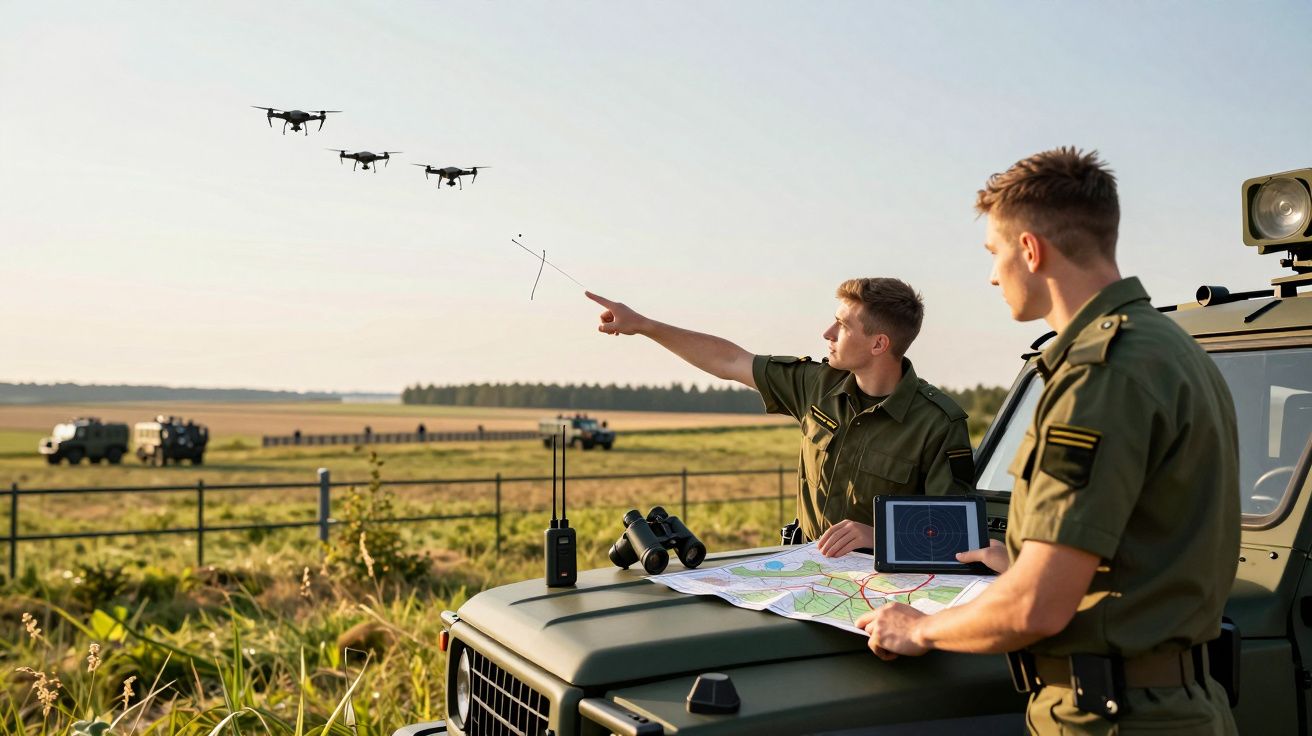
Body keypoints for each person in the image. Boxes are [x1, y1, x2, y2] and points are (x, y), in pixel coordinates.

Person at [856, 147, 1240, 734]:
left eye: (995, 253)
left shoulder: (1097, 375)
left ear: (1031, 250)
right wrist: (1026, 561)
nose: (991, 275)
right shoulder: (1172, 347)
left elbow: (1038, 607)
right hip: (1174, 700)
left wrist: (918, 628)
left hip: (1112, 714)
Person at [586, 278, 974, 557]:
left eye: (842, 325)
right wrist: (644, 325)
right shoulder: (816, 384)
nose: (827, 332)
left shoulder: (938, 422)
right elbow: (730, 360)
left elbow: (955, 535)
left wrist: (877, 535)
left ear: (878, 343)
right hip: (801, 572)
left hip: (882, 595)